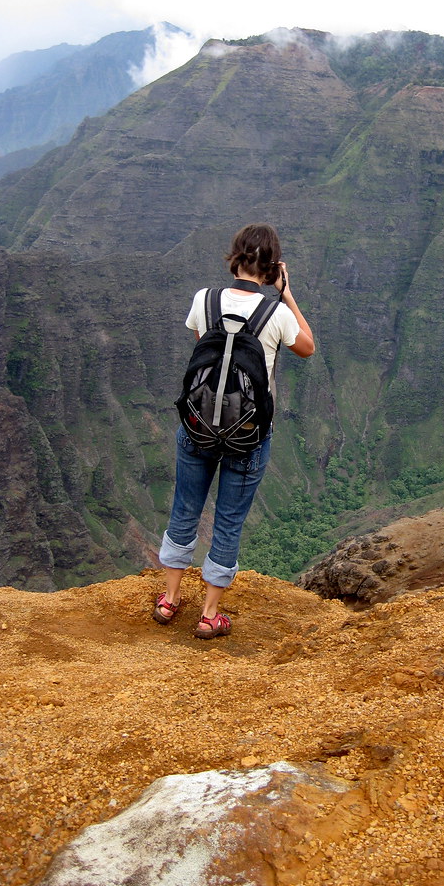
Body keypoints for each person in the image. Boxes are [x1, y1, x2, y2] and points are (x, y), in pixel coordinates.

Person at [153, 223, 315, 639]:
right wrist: (287, 293)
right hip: (250, 434)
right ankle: (209, 614)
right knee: (228, 521)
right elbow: (307, 347)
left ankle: (169, 600)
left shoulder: (204, 300)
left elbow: (202, 347)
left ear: (235, 257)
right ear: (273, 266)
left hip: (198, 425)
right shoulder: (276, 313)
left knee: (184, 509)